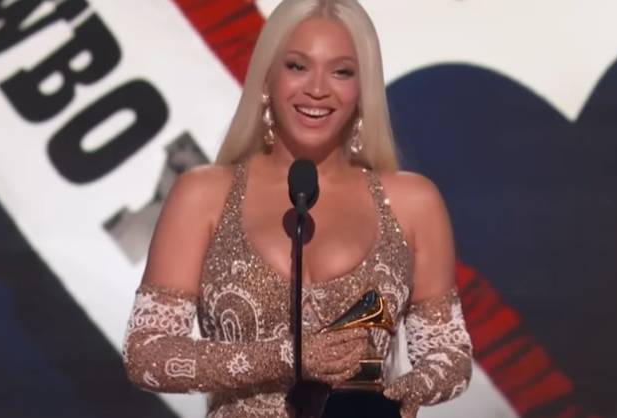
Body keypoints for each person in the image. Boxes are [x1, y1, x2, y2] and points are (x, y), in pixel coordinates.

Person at [121, 1, 472, 417]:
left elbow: (448, 351)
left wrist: (406, 392)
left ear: (363, 90)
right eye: (297, 67)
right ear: (267, 78)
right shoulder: (203, 195)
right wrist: (291, 357)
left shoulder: (413, 203)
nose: (317, 89)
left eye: (342, 72)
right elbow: (147, 353)